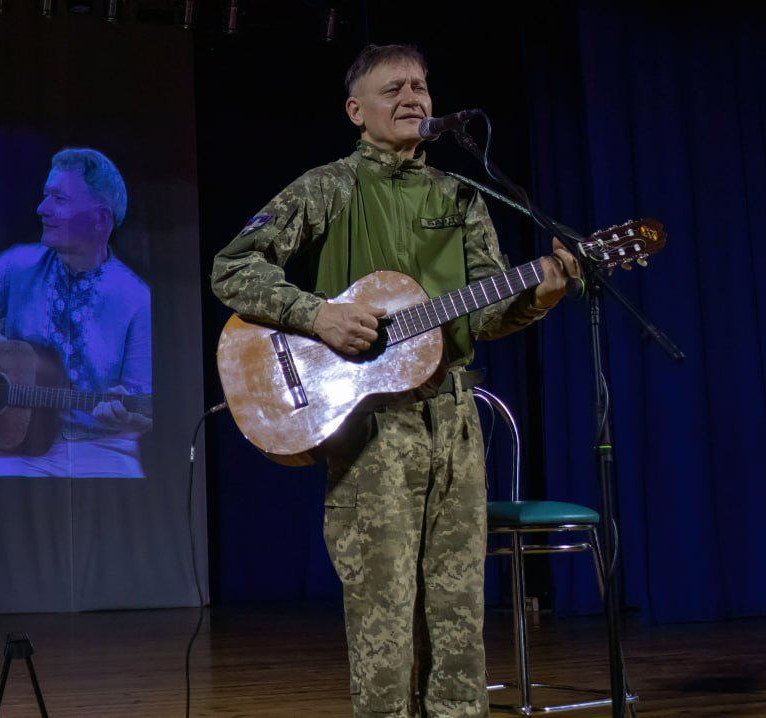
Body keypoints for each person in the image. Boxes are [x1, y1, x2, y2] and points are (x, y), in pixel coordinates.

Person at [210, 44, 581, 717]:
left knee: (459, 618)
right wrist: (317, 314)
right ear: (356, 111)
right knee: (383, 621)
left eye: (421, 87)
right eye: (394, 89)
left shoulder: (461, 194)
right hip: (373, 429)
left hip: (455, 421)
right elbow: (233, 268)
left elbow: (488, 312)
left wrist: (543, 294)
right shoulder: (327, 187)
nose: (413, 98)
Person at [0, 148, 151, 478]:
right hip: (19, 447)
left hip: (103, 449)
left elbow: (145, 407)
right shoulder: (20, 264)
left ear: (101, 219)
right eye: (46, 195)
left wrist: (127, 415)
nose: (42, 208)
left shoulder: (136, 298)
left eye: (59, 198)